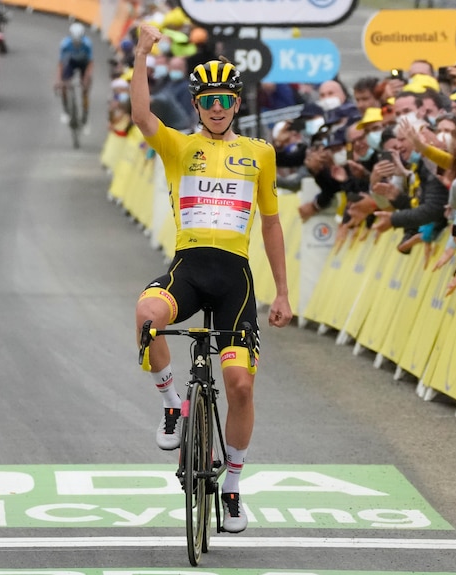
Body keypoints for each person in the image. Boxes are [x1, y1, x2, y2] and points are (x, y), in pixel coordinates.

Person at [131, 24, 293, 535]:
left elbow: (270, 222)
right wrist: (140, 54)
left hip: (235, 281)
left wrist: (283, 292)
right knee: (146, 314)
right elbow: (140, 115)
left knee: (239, 385)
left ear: (236, 102)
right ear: (196, 104)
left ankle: (234, 485)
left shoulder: (260, 153)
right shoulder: (179, 147)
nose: (217, 107)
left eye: (225, 98)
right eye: (207, 99)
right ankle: (172, 406)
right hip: (188, 269)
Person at [56, 22, 93, 131]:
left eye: (79, 40)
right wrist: (59, 80)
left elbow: (91, 63)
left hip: (84, 63)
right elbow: (61, 64)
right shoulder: (65, 44)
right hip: (71, 63)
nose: (77, 43)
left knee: (85, 90)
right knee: (64, 85)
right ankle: (66, 110)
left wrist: (86, 78)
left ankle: (85, 118)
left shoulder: (87, 44)